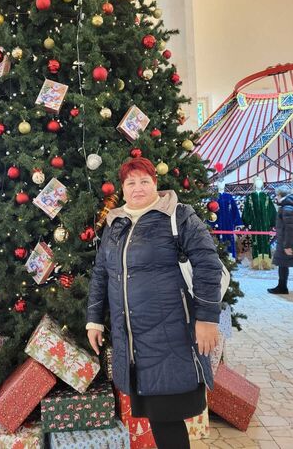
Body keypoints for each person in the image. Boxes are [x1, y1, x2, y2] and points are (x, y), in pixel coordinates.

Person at [86, 158, 223, 449]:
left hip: (169, 335)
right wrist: (94, 319)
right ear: (122, 188)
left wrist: (207, 319)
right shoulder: (115, 223)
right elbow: (101, 273)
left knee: (166, 417)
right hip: (132, 340)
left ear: (155, 184)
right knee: (159, 416)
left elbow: (208, 265)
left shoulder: (179, 216)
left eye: (144, 181)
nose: (137, 188)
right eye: (130, 182)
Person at [268, 187, 293, 294]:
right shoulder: (287, 206)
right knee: (283, 264)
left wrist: (287, 245)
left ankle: (282, 287)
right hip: (285, 241)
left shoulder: (287, 207)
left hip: (286, 242)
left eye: (276, 195)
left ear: (279, 195)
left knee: (283, 264)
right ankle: (282, 286)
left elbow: (290, 228)